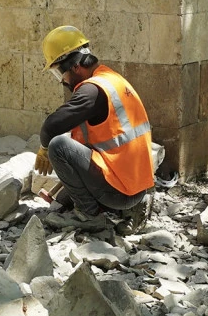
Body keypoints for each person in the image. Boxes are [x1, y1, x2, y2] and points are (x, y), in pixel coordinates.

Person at [34, 25, 155, 231]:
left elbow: (51, 126)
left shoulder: (91, 91)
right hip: (137, 186)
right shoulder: (111, 79)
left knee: (59, 145)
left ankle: (88, 215)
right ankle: (92, 205)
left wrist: (45, 148)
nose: (62, 81)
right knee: (73, 145)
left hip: (121, 193)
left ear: (75, 67)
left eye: (59, 73)